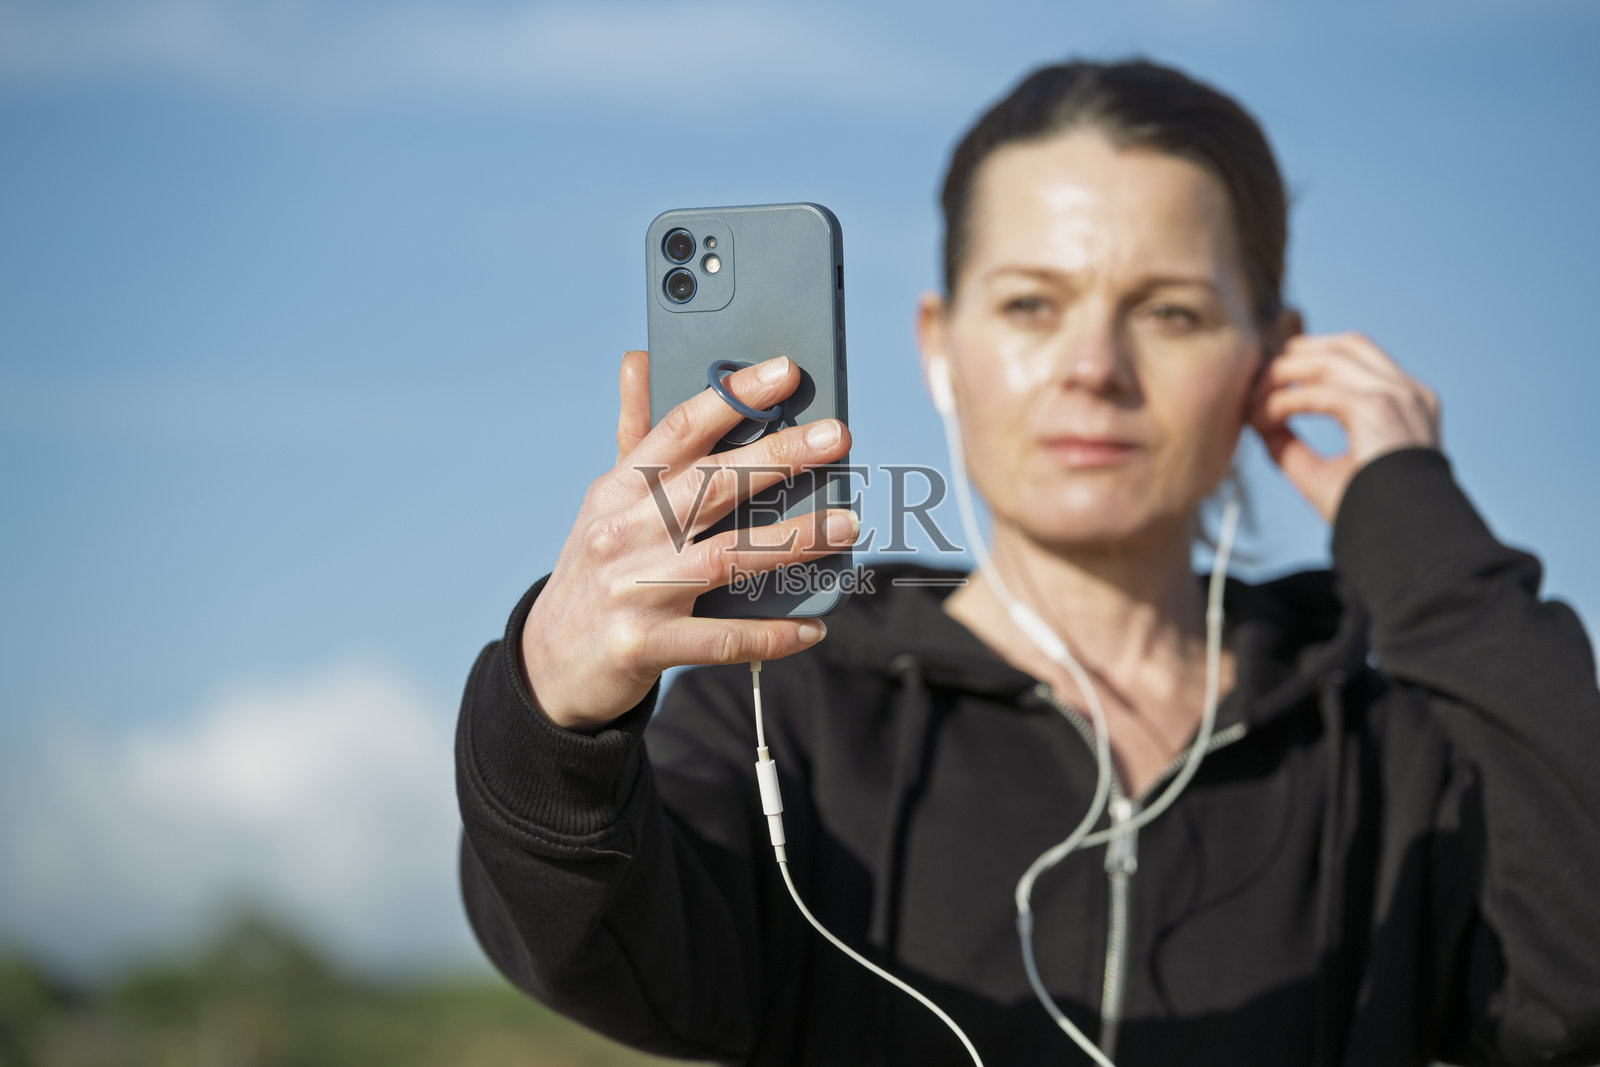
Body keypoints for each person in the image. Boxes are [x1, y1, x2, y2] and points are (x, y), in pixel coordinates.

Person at [453, 57, 1600, 1066]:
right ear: (939, 346)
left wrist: (1424, 538)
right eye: (1030, 303)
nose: (1091, 365)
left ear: (1272, 355)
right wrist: (551, 704)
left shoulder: (1386, 750)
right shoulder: (796, 704)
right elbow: (584, 944)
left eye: (1170, 311)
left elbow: (1572, 989)